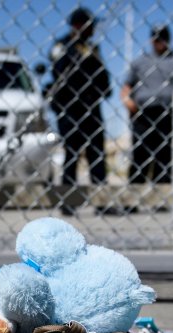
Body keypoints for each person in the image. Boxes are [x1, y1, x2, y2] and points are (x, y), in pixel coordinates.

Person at [48, 7, 112, 215]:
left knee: (97, 155)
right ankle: (68, 202)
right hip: (70, 110)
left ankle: (102, 202)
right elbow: (59, 72)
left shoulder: (92, 48)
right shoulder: (62, 46)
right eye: (90, 25)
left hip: (91, 108)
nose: (93, 29)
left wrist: (102, 87)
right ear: (79, 26)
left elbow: (102, 76)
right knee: (72, 155)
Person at [121, 25, 173, 187]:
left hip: (168, 112)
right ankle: (133, 197)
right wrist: (128, 103)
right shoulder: (141, 62)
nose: (159, 42)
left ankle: (162, 198)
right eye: (156, 38)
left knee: (165, 155)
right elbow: (126, 86)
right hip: (143, 113)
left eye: (163, 38)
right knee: (140, 154)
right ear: (151, 39)